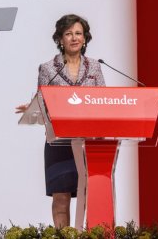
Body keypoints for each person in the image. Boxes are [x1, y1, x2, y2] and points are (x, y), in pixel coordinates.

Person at [16, 14, 105, 228]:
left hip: (88, 141)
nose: (74, 38)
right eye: (68, 34)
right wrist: (33, 107)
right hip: (59, 141)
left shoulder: (95, 67)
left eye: (78, 33)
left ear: (85, 38)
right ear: (60, 39)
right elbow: (43, 100)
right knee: (61, 198)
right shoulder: (47, 69)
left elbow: (103, 99)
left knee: (90, 198)